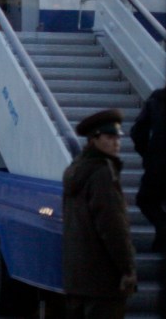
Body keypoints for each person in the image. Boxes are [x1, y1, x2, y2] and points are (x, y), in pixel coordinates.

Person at [62, 109, 137, 319]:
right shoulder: (102, 173)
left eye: (117, 138)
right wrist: (127, 268)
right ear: (94, 139)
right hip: (103, 280)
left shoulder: (76, 169)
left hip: (78, 278)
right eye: (110, 138)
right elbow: (112, 226)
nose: (116, 143)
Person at [130, 86, 166, 252]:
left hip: (158, 163)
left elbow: (138, 131)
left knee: (146, 200)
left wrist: (147, 153)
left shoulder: (157, 99)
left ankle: (164, 229)